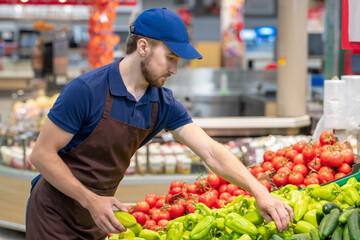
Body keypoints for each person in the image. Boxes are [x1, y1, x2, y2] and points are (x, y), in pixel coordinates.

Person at [26, 8, 293, 239]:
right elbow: (41, 155)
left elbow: (211, 152)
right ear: (143, 47)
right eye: (171, 58)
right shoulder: (86, 90)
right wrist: (91, 200)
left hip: (97, 217)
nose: (175, 69)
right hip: (54, 213)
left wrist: (259, 191)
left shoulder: (161, 103)